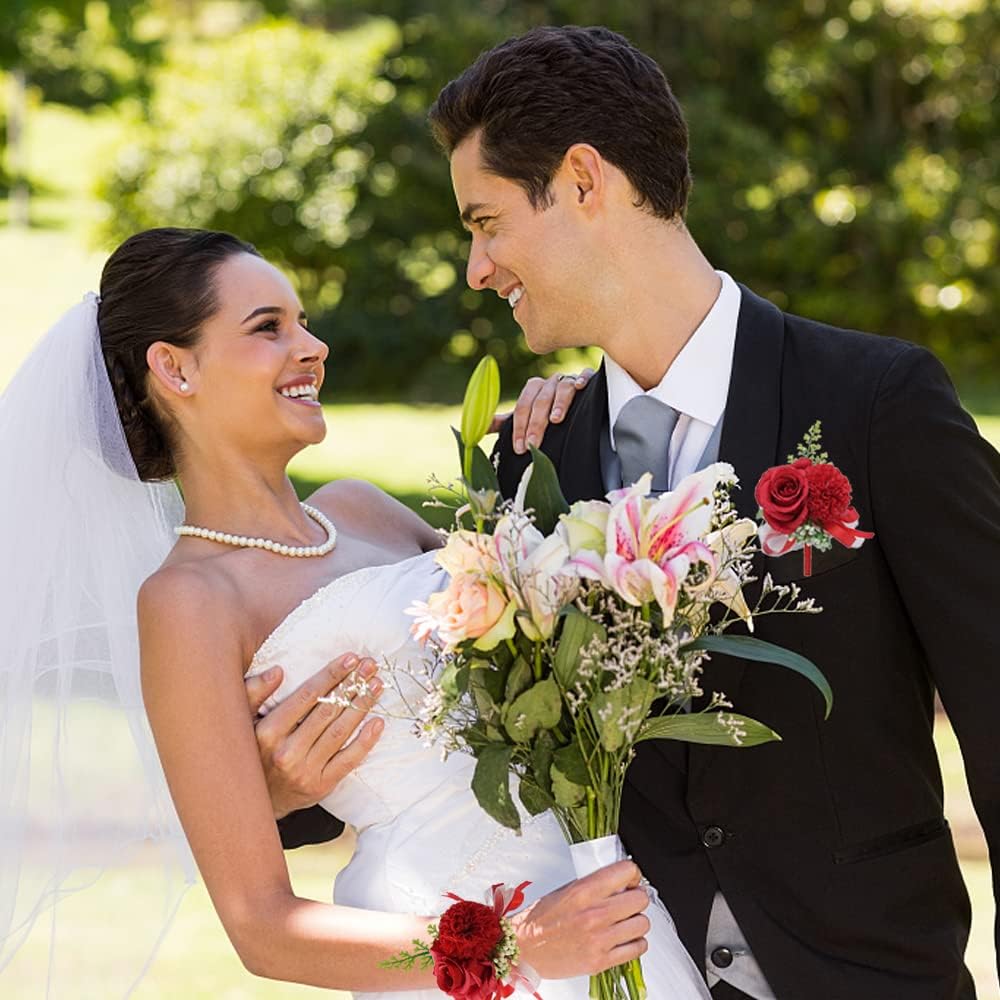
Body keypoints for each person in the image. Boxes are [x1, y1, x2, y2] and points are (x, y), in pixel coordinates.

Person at [427, 24, 1000, 1000]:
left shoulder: (875, 403)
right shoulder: (534, 459)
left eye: (485, 222)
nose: (477, 268)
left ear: (581, 180)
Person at [0, 226, 718, 999]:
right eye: (267, 327)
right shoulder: (188, 602)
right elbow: (262, 928)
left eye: (302, 322)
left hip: (603, 902)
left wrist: (567, 424)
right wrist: (522, 946)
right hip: (469, 943)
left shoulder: (366, 512)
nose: (312, 346)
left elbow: (554, 638)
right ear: (175, 368)